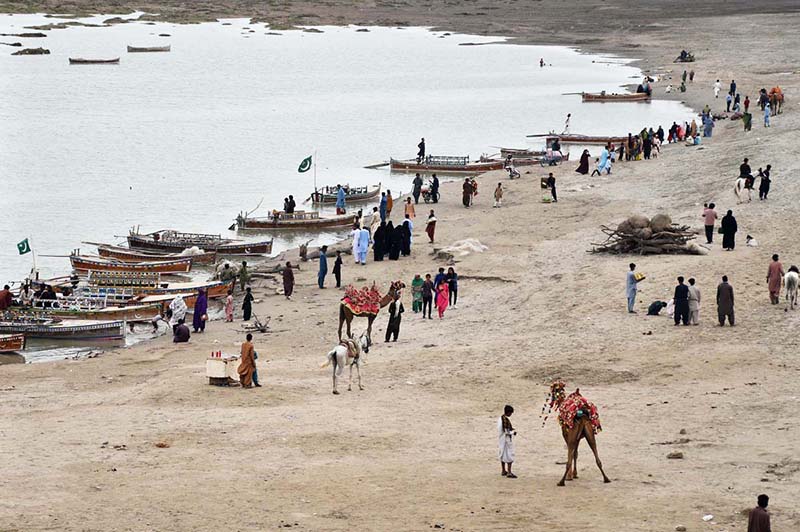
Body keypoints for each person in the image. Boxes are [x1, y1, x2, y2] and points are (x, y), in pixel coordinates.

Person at [498, 405, 517, 478]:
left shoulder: (500, 419)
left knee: (502, 455)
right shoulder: (505, 420)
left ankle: (503, 470)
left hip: (501, 440)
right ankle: (509, 471)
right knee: (510, 455)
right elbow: (506, 431)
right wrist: (513, 432)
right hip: (506, 440)